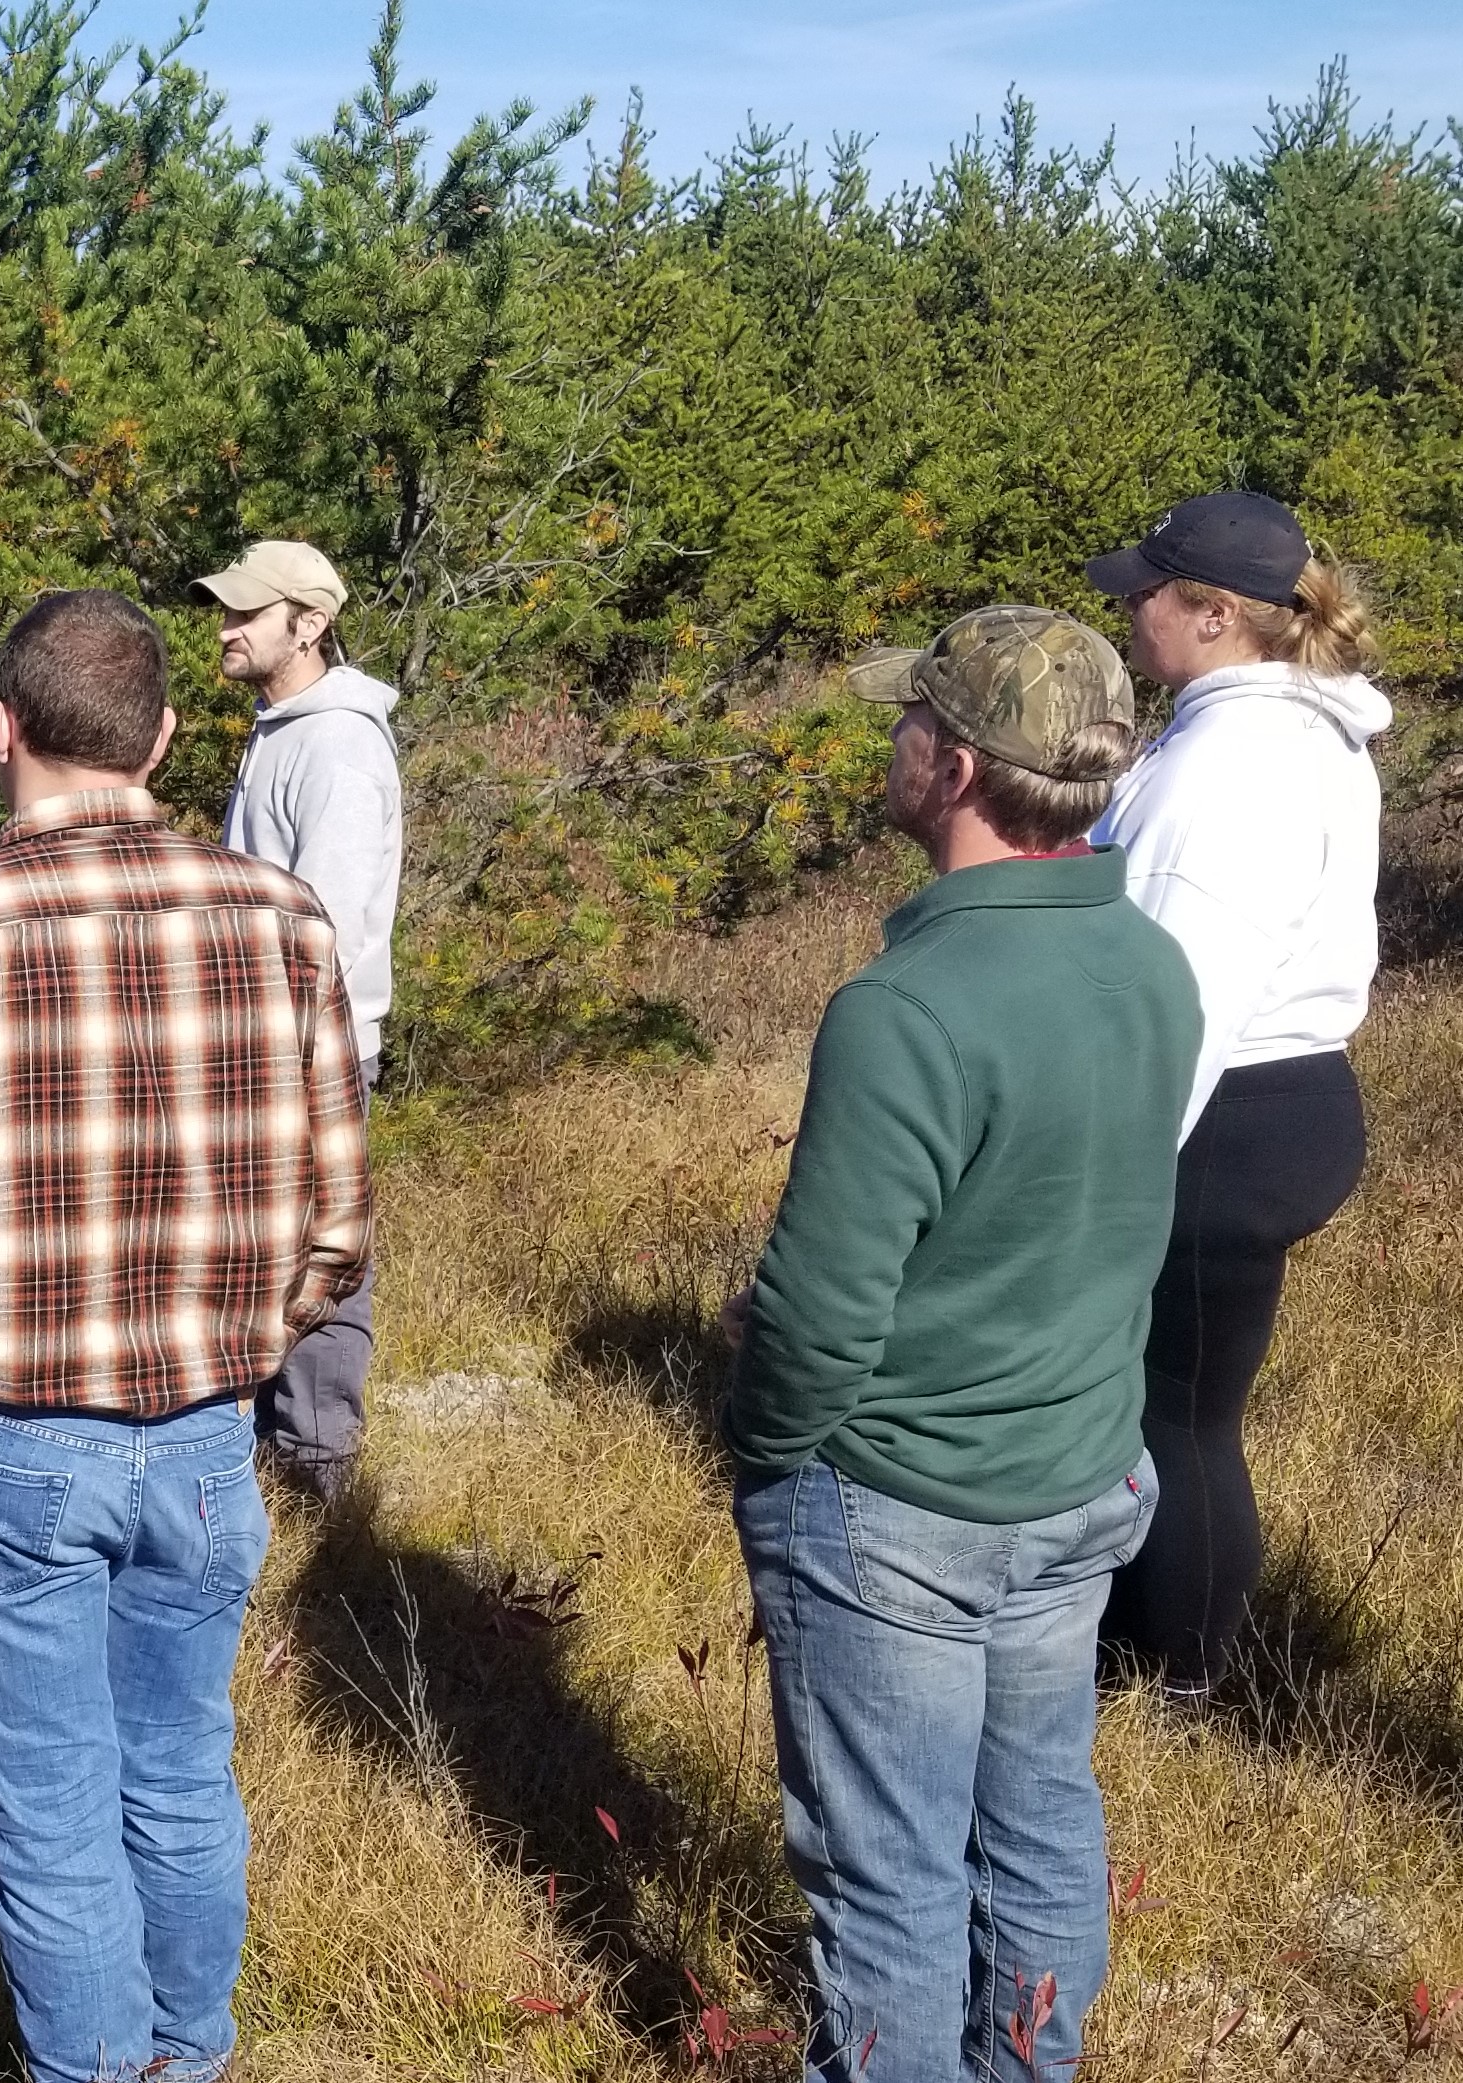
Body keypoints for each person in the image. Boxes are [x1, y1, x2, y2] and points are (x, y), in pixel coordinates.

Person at [0, 589, 369, 2083]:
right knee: (180, 1768)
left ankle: (101, 2067)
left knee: (53, 1803)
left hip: (1, 1431)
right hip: (202, 1434)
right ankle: (187, 2055)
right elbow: (332, 1225)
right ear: (166, 736)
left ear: (0, 732)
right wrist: (231, 1355)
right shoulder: (279, 918)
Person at [723, 606, 1195, 2083]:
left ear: (957, 764)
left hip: (907, 1505)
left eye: (907, 720)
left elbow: (815, 1308)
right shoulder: (1150, 961)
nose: (890, 738)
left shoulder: (904, 1007)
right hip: (1073, 1477)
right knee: (1040, 1809)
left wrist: (763, 1449)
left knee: (888, 1874)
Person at [1079, 492, 1389, 1699]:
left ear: (1212, 615)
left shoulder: (1235, 762)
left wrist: (1109, 1172)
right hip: (1270, 1104)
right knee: (1178, 1402)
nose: (1127, 609)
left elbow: (1180, 995)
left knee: (1175, 1416)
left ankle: (1178, 1676)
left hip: (1222, 1115)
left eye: (1145, 593)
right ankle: (1151, 1647)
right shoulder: (1270, 729)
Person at [197, 539, 402, 1504]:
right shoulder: (282, 724)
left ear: (308, 624)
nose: (227, 627)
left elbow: (331, 922)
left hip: (310, 1048)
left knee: (327, 1249)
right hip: (263, 1042)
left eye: (248, 611)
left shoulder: (340, 745)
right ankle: (269, 1455)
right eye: (226, 609)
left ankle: (316, 1469)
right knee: (267, 1246)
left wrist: (278, 1050)